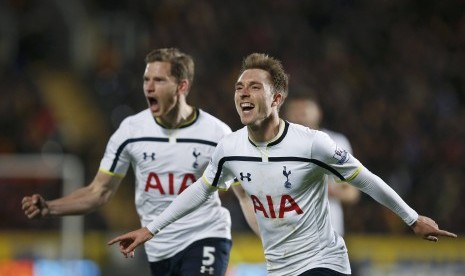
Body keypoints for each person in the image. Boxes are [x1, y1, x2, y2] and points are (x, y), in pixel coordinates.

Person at [107, 53, 457, 276]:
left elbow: (367, 180)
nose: (243, 93)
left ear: (276, 98)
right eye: (239, 87)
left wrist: (413, 218)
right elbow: (200, 190)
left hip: (323, 262)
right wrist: (150, 229)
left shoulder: (312, 143)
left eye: (254, 87)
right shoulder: (229, 148)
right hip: (279, 267)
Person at [21, 48, 234, 276]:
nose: (149, 87)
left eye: (159, 80)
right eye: (146, 80)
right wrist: (51, 207)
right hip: (159, 246)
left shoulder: (216, 133)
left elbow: (245, 195)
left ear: (182, 86)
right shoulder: (131, 132)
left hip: (205, 237)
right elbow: (99, 192)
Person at [283, 96, 360, 237]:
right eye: (295, 110)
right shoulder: (278, 146)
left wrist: (327, 190)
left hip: (329, 231)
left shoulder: (336, 142)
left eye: (305, 110)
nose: (300, 115)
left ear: (318, 112)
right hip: (290, 233)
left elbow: (352, 193)